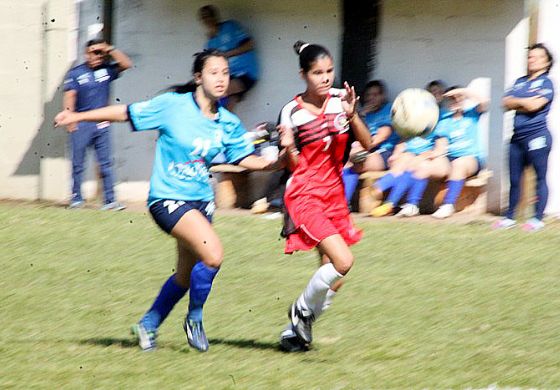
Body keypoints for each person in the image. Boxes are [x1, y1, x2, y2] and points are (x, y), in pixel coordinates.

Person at [55, 50, 281, 352]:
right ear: (198, 77)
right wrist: (78, 116)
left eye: (225, 73)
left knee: (186, 276)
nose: (221, 79)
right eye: (214, 72)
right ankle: (195, 319)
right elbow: (125, 113)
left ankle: (147, 325)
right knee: (213, 256)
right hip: (167, 199)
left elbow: (245, 158)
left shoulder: (227, 121)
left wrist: (276, 162)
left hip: (201, 202)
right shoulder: (172, 106)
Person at [277, 41, 372, 351]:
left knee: (335, 277)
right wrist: (289, 145)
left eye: (329, 71)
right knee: (344, 260)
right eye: (318, 72)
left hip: (334, 195)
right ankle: (300, 311)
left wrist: (353, 114)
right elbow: (291, 164)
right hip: (305, 195)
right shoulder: (292, 111)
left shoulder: (340, 101)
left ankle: (292, 334)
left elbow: (367, 144)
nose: (325, 78)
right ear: (303, 74)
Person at [390, 86, 489, 218]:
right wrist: (429, 157)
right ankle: (412, 205)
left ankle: (448, 205)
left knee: (459, 164)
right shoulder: (444, 121)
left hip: (470, 159)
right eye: (452, 99)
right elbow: (440, 148)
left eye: (459, 98)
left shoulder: (472, 114)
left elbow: (485, 102)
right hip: (449, 159)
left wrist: (464, 91)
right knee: (423, 166)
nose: (456, 100)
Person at [62, 39, 132, 210]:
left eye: (99, 53)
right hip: (81, 123)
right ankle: (76, 198)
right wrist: (70, 119)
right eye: (93, 52)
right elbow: (70, 96)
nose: (96, 56)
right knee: (78, 163)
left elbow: (126, 63)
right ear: (86, 54)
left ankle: (110, 201)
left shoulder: (107, 71)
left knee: (105, 163)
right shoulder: (75, 73)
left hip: (102, 125)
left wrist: (109, 48)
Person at [494, 43, 555, 231]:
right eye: (530, 56)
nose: (532, 59)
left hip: (537, 137)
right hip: (517, 139)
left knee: (539, 178)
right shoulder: (520, 81)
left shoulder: (547, 83)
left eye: (537, 57)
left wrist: (518, 103)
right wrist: (523, 102)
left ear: (547, 62)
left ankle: (537, 219)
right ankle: (509, 217)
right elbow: (505, 103)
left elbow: (534, 106)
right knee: (514, 179)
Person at [341, 80, 401, 206]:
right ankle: (343, 203)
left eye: (376, 95)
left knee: (354, 160)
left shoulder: (388, 110)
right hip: (365, 153)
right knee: (349, 161)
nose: (372, 98)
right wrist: (361, 114)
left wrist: (360, 146)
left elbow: (381, 136)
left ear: (382, 96)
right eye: (369, 95)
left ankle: (343, 203)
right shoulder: (364, 113)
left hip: (384, 153)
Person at [198, 5, 259, 111]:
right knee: (226, 111)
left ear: (215, 16)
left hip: (246, 73)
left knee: (215, 94)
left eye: (209, 16)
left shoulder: (230, 27)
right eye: (204, 17)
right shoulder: (210, 43)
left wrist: (228, 54)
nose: (207, 19)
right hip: (228, 76)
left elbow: (250, 45)